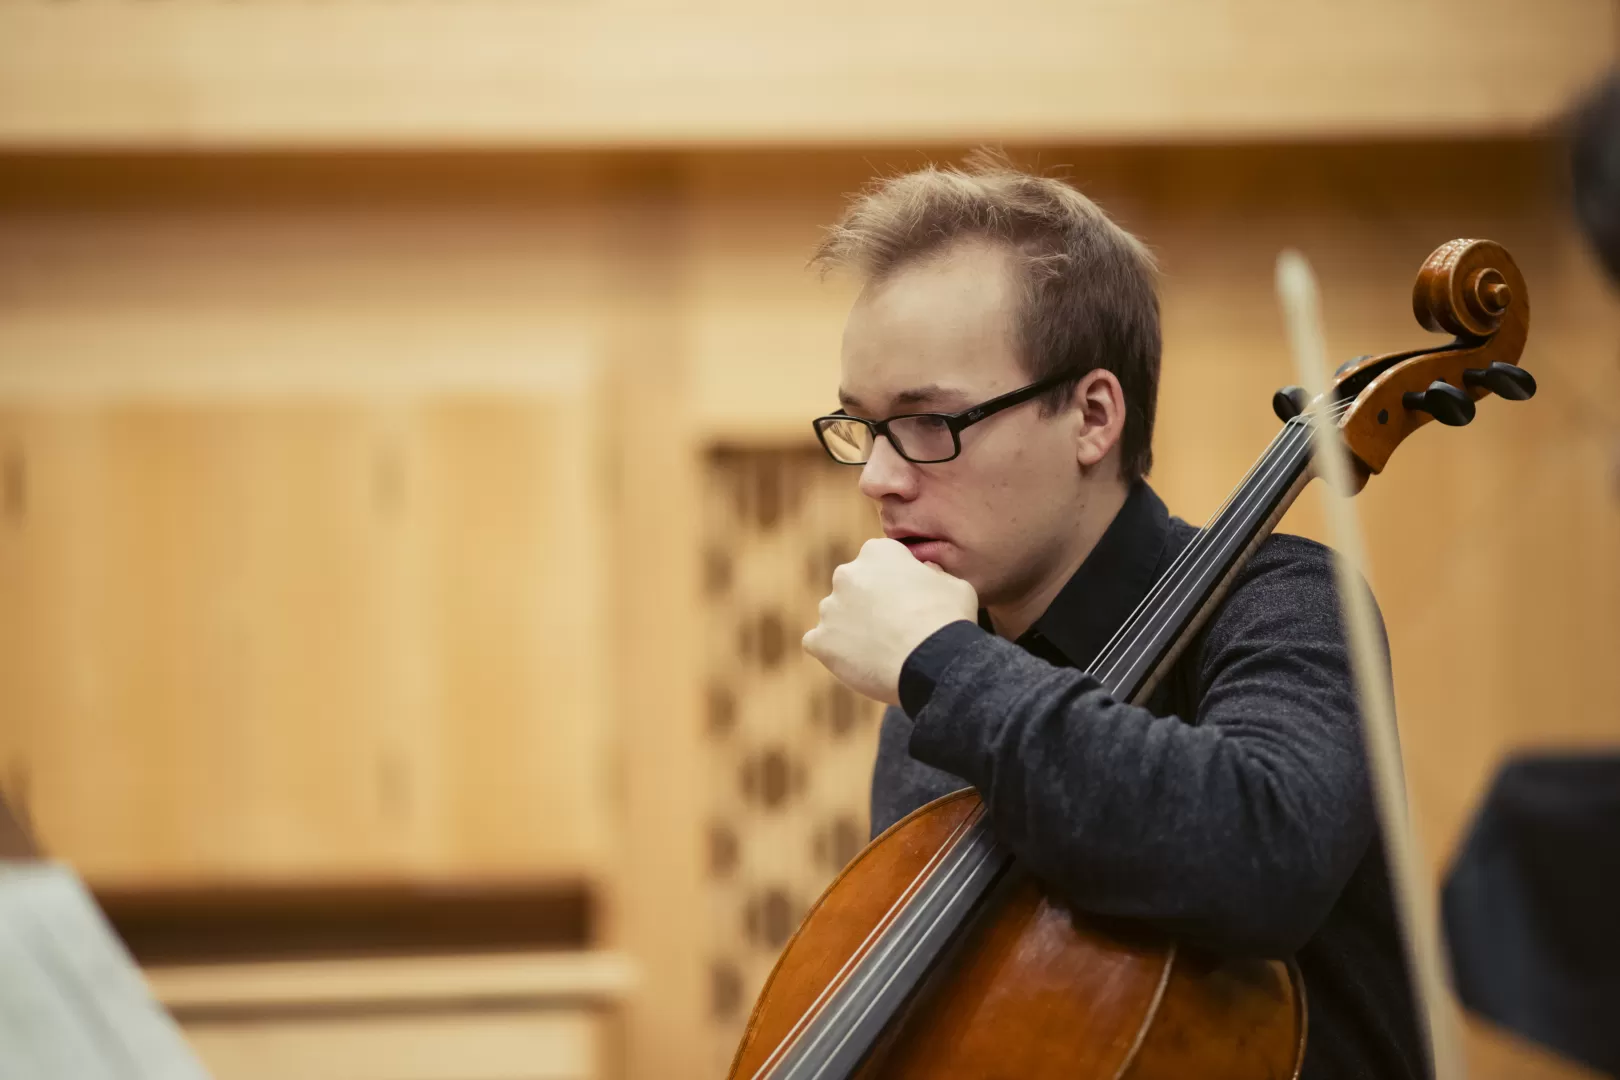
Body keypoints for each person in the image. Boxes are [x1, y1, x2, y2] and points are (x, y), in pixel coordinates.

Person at [800, 153, 1423, 1079]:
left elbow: (1267, 854)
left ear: (1092, 416)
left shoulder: (1282, 602)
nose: (880, 478)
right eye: (865, 426)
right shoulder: (934, 699)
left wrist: (942, 663)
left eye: (930, 424)